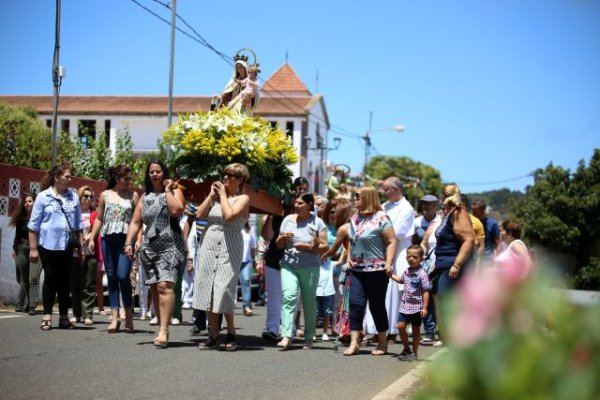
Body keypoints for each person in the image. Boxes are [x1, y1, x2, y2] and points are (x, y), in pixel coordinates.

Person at [323, 186, 397, 356]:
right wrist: (348, 261)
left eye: (358, 196)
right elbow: (352, 244)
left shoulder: (382, 218)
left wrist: (389, 263)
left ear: (368, 197)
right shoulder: (354, 219)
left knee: (377, 306)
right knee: (355, 305)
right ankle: (355, 342)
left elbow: (392, 241)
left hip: (377, 270)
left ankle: (383, 342)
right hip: (356, 269)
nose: (354, 198)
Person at [124, 160, 186, 348]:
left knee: (164, 286)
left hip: (171, 245)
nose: (155, 175)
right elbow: (136, 222)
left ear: (164, 173)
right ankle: (161, 326)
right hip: (150, 248)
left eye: (158, 171)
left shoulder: (175, 191)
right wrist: (129, 242)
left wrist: (168, 190)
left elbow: (176, 210)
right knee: (154, 288)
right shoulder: (145, 197)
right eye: (151, 172)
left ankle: (164, 331)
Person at [194, 163, 250, 351]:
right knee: (209, 287)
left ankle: (231, 332)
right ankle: (214, 334)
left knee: (224, 288)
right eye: (224, 175)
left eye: (230, 176)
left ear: (240, 180)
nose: (225, 179)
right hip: (209, 244)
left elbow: (229, 216)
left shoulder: (243, 198)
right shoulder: (215, 199)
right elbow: (199, 215)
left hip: (230, 245)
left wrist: (223, 196)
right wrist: (211, 196)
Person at [28, 162, 83, 330]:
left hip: (66, 245)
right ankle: (46, 315)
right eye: (66, 176)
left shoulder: (73, 196)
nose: (69, 179)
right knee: (50, 279)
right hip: (47, 245)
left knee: (65, 281)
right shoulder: (43, 197)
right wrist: (33, 249)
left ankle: (64, 317)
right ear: (57, 178)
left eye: (70, 176)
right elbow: (33, 225)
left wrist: (81, 247)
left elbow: (78, 224)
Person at [88, 165, 139, 333]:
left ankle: (129, 316)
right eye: (126, 179)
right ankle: (115, 316)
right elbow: (99, 219)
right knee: (111, 276)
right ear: (117, 178)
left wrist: (138, 240)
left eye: (130, 179)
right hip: (107, 239)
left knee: (123, 275)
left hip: (126, 241)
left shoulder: (133, 196)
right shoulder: (105, 195)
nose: (129, 182)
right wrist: (91, 237)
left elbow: (138, 221)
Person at [275, 192, 329, 350]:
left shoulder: (318, 223)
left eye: (300, 203)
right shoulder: (287, 220)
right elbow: (279, 245)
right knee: (289, 296)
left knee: (308, 302)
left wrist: (307, 247)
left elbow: (325, 246)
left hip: (310, 267)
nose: (296, 205)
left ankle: (309, 336)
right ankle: (286, 336)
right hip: (288, 265)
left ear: (310, 205)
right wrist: (281, 239)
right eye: (296, 203)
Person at [365, 177, 414, 344]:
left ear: (396, 190)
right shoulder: (385, 206)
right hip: (378, 252)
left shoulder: (406, 208)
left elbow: (398, 232)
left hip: (397, 253)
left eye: (386, 190)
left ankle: (392, 330)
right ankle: (376, 329)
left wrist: (379, 232)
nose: (383, 193)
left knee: (392, 294)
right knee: (377, 293)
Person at [432, 184, 475, 346]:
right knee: (446, 303)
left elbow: (469, 239)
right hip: (444, 264)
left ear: (444, 197)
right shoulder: (450, 213)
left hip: (452, 264)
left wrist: (456, 265)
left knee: (449, 304)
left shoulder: (458, 212)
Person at [389, 245, 431, 361]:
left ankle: (415, 352)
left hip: (417, 307)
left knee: (416, 330)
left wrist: (425, 307)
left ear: (421, 259)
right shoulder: (407, 271)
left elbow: (426, 291)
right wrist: (391, 275)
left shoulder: (422, 274)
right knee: (400, 326)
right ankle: (406, 348)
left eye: (414, 257)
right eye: (409, 256)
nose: (411, 259)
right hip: (405, 306)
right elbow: (401, 280)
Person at [70, 186, 98, 325]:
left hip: (90, 252)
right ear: (79, 197)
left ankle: (88, 315)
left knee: (89, 284)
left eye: (90, 196)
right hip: (75, 253)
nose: (88, 199)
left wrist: (89, 237)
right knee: (75, 284)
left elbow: (98, 229)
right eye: (85, 196)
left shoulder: (94, 214)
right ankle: (76, 313)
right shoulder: (73, 213)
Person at [11, 192, 41, 315]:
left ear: (35, 202)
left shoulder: (41, 217)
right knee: (22, 278)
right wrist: (15, 250)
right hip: (22, 249)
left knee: (33, 277)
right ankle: (27, 303)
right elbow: (17, 236)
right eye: (25, 202)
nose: (27, 204)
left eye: (30, 201)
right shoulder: (21, 219)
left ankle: (32, 305)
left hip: (37, 249)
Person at [472, 199, 500, 267]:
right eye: (472, 210)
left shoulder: (492, 224)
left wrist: (496, 261)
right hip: (473, 261)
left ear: (483, 211)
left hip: (487, 262)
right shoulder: (471, 223)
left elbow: (498, 244)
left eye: (475, 211)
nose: (473, 213)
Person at [461, 194, 485, 270]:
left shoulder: (476, 223)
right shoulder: (449, 220)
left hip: (469, 263)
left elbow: (481, 245)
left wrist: (477, 266)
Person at [239, 222, 257, 316]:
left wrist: (254, 260)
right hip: (234, 260)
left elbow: (253, 247)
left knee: (246, 281)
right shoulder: (234, 228)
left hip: (246, 261)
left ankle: (246, 305)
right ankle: (227, 307)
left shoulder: (249, 231)